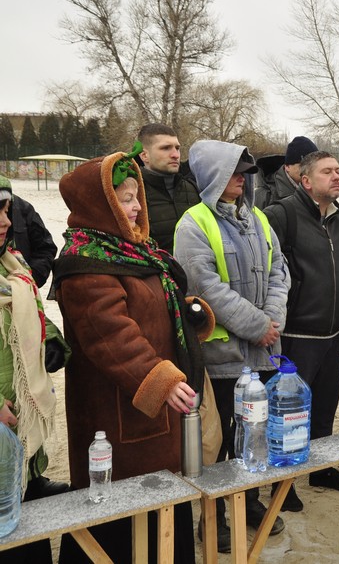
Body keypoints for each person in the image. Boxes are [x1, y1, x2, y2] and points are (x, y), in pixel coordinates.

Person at [54, 150, 217, 563]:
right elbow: (112, 337)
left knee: (163, 508)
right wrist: (159, 378)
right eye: (124, 199)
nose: (137, 207)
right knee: (119, 521)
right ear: (100, 205)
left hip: (156, 417)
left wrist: (187, 312)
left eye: (136, 196)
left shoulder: (134, 252)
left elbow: (150, 310)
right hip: (116, 421)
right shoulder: (86, 264)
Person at [174, 140, 290, 552]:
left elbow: (279, 269)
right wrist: (256, 324)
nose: (243, 179)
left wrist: (271, 319)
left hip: (261, 352)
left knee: (253, 431)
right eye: (235, 172)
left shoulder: (257, 217)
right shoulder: (193, 224)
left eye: (245, 173)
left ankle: (249, 500)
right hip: (221, 358)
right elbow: (205, 286)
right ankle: (215, 516)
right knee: (218, 439)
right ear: (213, 176)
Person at [264, 150, 339, 495]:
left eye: (338, 171)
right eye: (327, 172)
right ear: (306, 181)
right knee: (289, 413)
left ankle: (321, 469)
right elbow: (267, 272)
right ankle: (282, 485)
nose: (337, 177)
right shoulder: (280, 215)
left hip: (332, 334)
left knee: (324, 411)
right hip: (296, 335)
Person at [0, 177, 59, 564]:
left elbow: (32, 308)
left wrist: (52, 341)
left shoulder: (11, 263)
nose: (5, 221)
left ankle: (33, 479)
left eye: (5, 210)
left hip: (17, 414)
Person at [137, 123, 200, 254]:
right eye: (165, 148)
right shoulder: (132, 194)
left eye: (177, 148)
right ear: (144, 156)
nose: (175, 155)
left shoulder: (194, 190)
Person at [254, 135, 318, 210]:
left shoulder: (322, 191)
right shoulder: (262, 197)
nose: (310, 169)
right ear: (287, 166)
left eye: (314, 165)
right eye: (303, 165)